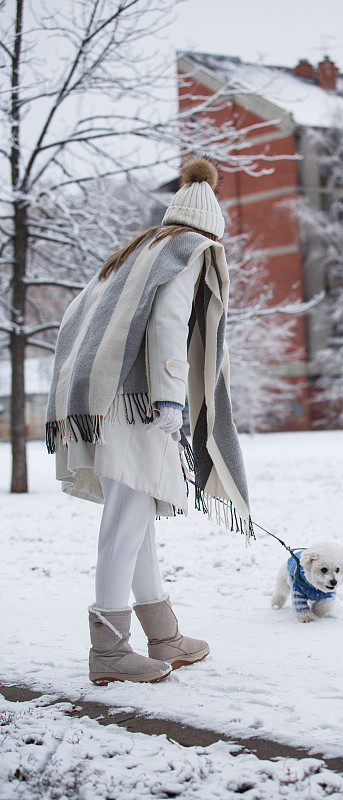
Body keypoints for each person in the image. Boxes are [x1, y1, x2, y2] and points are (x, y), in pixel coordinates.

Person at [45, 158, 254, 686]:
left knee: (134, 520)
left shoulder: (133, 255)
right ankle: (109, 651)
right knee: (125, 520)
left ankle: (164, 638)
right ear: (210, 227)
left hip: (100, 400)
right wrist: (168, 402)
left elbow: (78, 320)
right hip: (134, 402)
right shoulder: (187, 251)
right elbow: (167, 324)